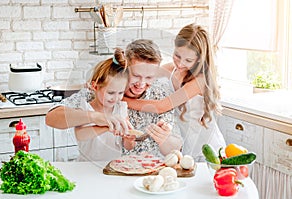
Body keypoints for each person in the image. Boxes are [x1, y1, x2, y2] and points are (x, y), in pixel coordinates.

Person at [46, 39, 182, 158]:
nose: (141, 83)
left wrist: (164, 138)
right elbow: (52, 118)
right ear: (125, 69)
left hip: (147, 171)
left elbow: (176, 148)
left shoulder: (159, 96)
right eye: (136, 75)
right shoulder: (98, 92)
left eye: (149, 77)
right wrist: (95, 117)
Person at [123, 24, 226, 161]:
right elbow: (146, 72)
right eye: (177, 55)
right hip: (185, 143)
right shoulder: (172, 69)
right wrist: (103, 82)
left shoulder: (200, 81)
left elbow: (161, 106)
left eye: (188, 60)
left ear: (199, 59)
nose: (180, 63)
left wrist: (121, 100)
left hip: (206, 147)